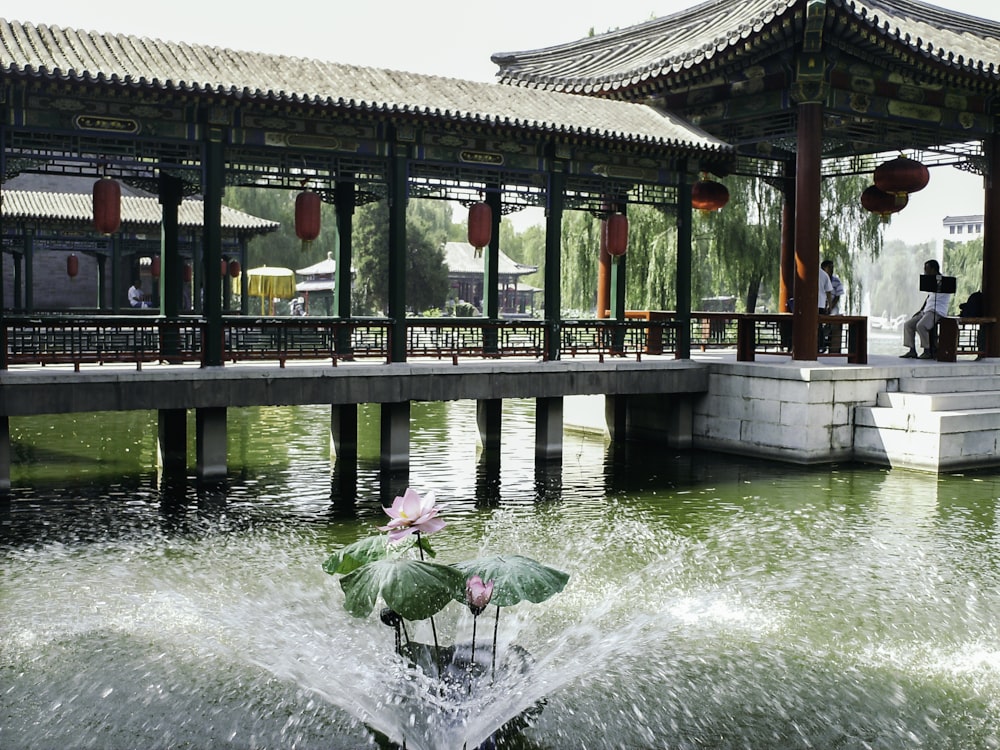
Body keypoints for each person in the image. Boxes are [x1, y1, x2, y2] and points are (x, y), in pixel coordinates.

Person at [900, 259, 952, 359]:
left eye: (926, 269)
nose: (924, 271)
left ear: (933, 270)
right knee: (908, 325)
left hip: (937, 311)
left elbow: (940, 295)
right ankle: (912, 350)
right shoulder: (931, 282)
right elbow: (929, 298)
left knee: (921, 326)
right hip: (926, 311)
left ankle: (927, 350)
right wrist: (920, 310)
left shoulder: (944, 282)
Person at [821, 259, 845, 353]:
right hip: (821, 304)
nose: (832, 270)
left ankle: (832, 344)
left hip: (833, 305)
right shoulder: (819, 280)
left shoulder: (836, 281)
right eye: (829, 268)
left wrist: (830, 307)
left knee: (835, 317)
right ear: (823, 269)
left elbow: (837, 297)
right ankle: (821, 340)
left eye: (832, 268)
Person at [818, 263, 834, 352]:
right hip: (820, 304)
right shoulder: (824, 275)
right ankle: (820, 345)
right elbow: (828, 292)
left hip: (808, 304)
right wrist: (830, 307)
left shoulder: (806, 272)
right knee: (819, 325)